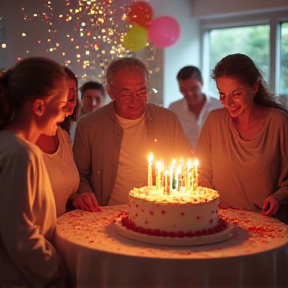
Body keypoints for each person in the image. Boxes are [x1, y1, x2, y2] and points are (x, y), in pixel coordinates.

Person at [73, 57, 192, 210]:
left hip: (159, 212)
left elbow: (184, 164)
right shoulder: (89, 125)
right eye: (127, 94)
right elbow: (79, 175)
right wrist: (85, 195)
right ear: (111, 92)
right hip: (107, 213)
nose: (135, 101)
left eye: (141, 91)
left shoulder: (168, 119)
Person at [0, 57, 70, 287]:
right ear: (38, 106)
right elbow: (20, 234)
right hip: (21, 277)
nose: (63, 115)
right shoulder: (20, 154)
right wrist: (53, 271)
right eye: (60, 106)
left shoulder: (12, 146)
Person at [196, 53, 288, 221]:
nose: (228, 103)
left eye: (236, 94)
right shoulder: (214, 121)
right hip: (221, 222)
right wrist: (204, 189)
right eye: (222, 94)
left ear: (254, 88)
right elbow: (203, 172)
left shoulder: (279, 122)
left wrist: (278, 198)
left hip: (268, 226)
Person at [36, 66, 80, 217]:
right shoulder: (17, 146)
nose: (68, 106)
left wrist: (74, 198)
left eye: (72, 98)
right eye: (60, 100)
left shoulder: (63, 136)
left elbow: (61, 188)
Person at [168, 66, 223, 149]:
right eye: (183, 89)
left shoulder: (219, 106)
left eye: (194, 88)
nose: (189, 93)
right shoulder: (174, 109)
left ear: (202, 83)